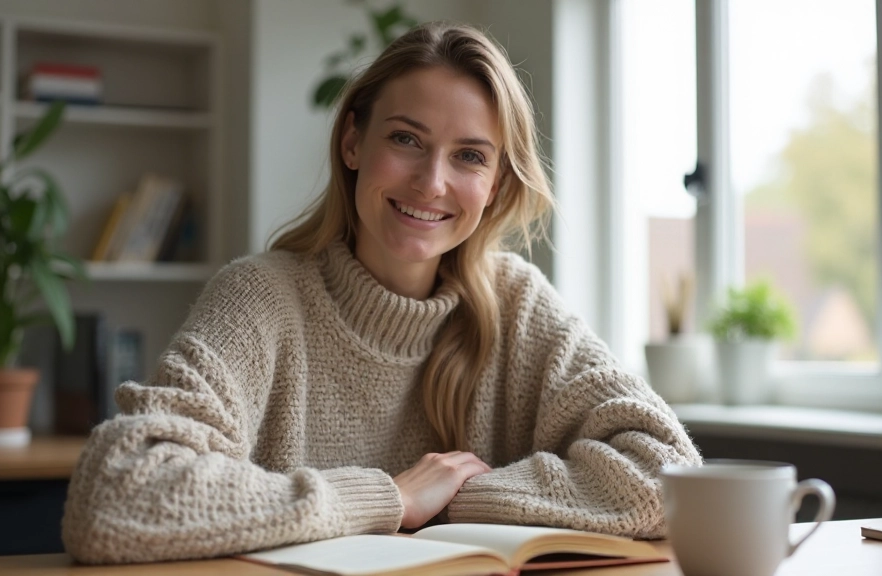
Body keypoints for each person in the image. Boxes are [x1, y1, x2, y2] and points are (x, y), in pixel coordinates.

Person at [61, 21, 702, 564]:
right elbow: (116, 493)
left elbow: (670, 476)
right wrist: (389, 498)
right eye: (406, 140)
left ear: (498, 186)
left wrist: (457, 497)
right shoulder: (260, 297)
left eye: (470, 156)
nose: (431, 182)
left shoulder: (518, 303)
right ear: (352, 143)